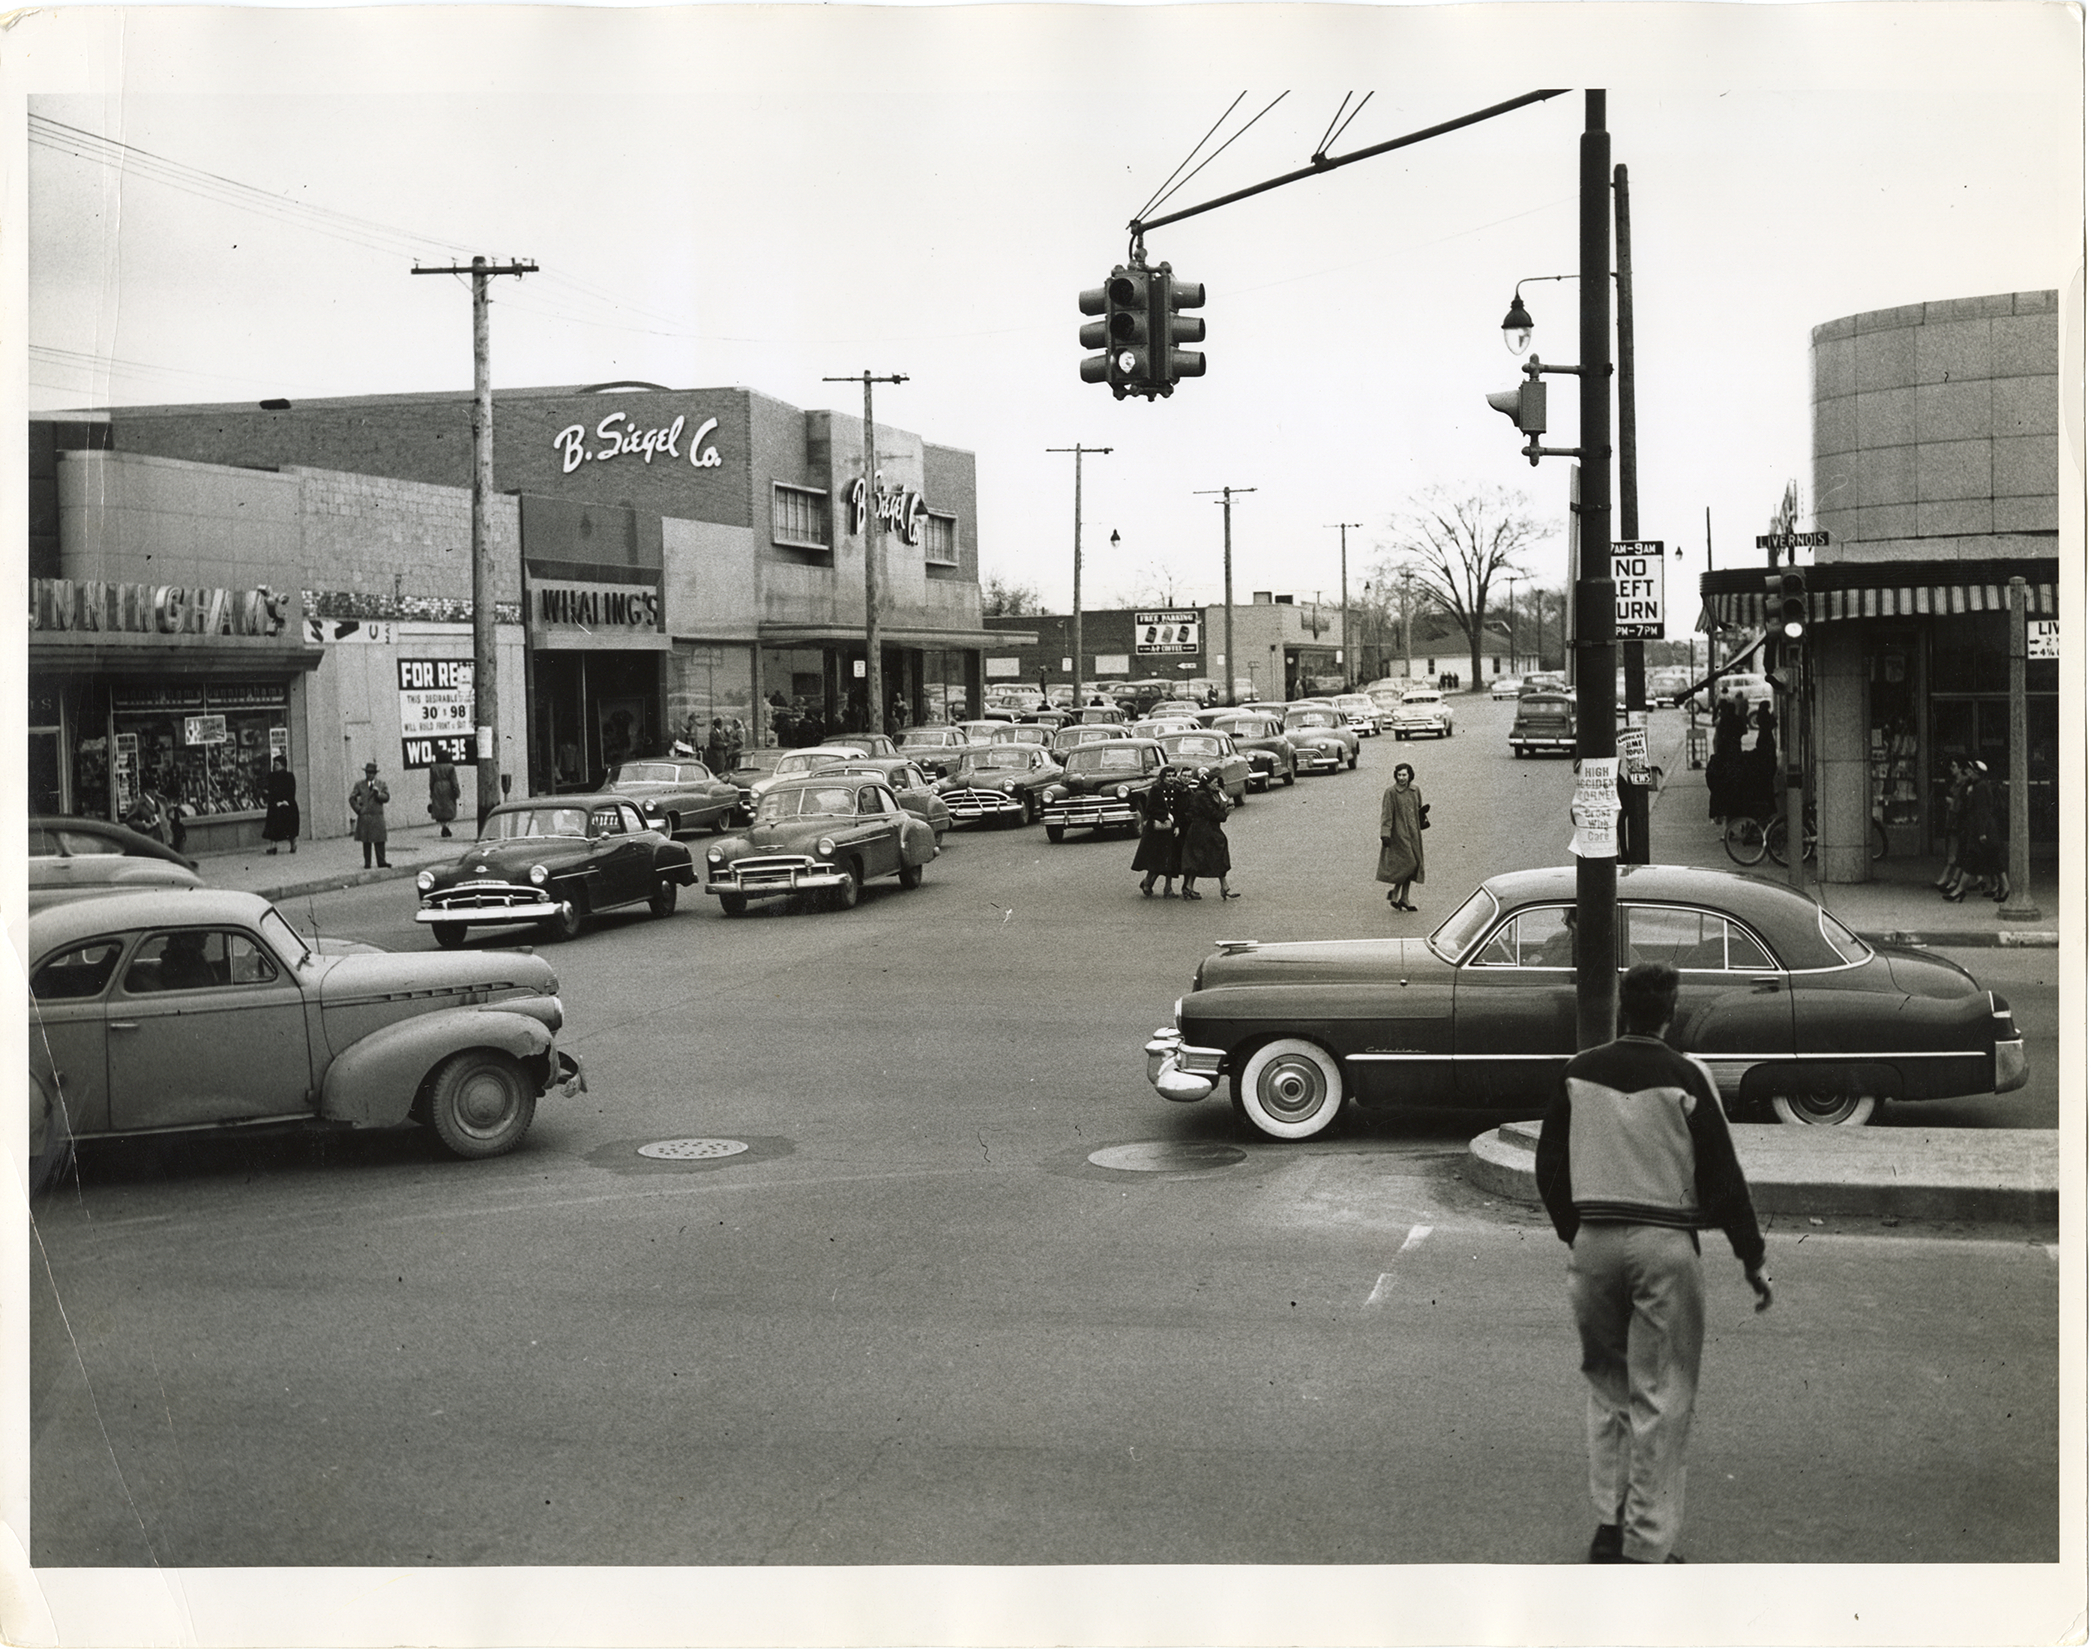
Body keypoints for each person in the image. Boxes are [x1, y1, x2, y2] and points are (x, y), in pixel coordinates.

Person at [1535, 961, 1773, 1565]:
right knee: (1661, 1397)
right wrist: (1751, 1257)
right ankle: (1645, 1546)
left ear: (1622, 1010)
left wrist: (1576, 1233)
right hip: (1664, 1244)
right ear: (1671, 1013)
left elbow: (1549, 1165)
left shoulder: (1577, 1072)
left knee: (1608, 1388)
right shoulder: (1686, 1076)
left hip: (1594, 1242)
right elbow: (1723, 1177)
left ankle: (1608, 1525)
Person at [1175, 769, 1238, 900]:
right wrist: (1225, 814)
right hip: (1202, 830)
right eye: (1214, 783)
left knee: (1200, 858)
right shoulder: (1202, 795)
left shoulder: (1212, 793)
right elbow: (1211, 813)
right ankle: (1222, 887)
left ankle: (1192, 887)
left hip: (1207, 829)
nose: (1216, 785)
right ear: (1207, 784)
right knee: (1211, 856)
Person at [1375, 761, 1426, 912]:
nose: (1402, 778)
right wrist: (1385, 834)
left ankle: (1403, 897)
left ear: (1410, 775)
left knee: (1414, 864)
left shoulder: (1415, 790)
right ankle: (1396, 894)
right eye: (1399, 775)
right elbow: (1386, 814)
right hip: (1399, 834)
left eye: (1404, 775)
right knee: (1409, 863)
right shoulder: (1391, 792)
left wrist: (1423, 816)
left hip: (1414, 833)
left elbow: (1418, 809)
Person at [1132, 768, 1183, 897]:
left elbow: (1177, 810)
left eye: (1173, 776)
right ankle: (1147, 882)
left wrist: (1177, 825)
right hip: (1157, 830)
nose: (1170, 778)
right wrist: (1165, 815)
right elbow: (1150, 808)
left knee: (1170, 859)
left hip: (1170, 829)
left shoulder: (1176, 790)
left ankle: (1168, 888)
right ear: (1162, 777)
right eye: (1168, 776)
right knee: (1157, 859)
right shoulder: (1156, 789)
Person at [350, 761, 391, 869]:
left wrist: (379, 795)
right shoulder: (360, 785)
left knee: (379, 840)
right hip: (365, 816)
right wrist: (359, 810)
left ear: (375, 774)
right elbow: (352, 798)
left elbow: (387, 797)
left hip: (377, 816)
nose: (369, 775)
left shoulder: (381, 784)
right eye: (368, 772)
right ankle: (367, 862)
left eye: (372, 773)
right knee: (366, 840)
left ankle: (381, 861)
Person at [262, 755, 300, 854]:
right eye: (274, 764)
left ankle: (293, 844)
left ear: (283, 765)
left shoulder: (288, 776)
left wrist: (285, 800)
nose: (274, 766)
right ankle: (273, 846)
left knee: (289, 827)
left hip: (286, 804)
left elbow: (291, 789)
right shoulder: (272, 776)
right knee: (274, 826)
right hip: (277, 804)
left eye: (277, 764)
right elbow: (268, 788)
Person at [426, 756, 460, 839]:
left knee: (439, 809)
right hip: (448, 788)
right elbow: (454, 781)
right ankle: (446, 826)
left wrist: (432, 792)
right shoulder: (451, 767)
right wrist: (457, 792)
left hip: (437, 787)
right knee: (449, 808)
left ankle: (443, 827)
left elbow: (431, 781)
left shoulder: (433, 767)